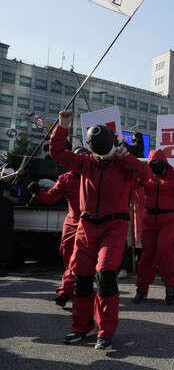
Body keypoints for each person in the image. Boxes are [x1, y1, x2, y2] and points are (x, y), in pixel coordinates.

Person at [50, 110, 151, 350]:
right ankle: (81, 327)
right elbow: (56, 152)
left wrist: (125, 156)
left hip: (114, 226)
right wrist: (62, 126)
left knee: (105, 277)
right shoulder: (85, 163)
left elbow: (145, 175)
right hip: (86, 225)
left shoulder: (124, 165)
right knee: (81, 280)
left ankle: (105, 332)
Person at [27, 147, 89, 307]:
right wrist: (38, 192)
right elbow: (50, 198)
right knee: (67, 254)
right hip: (71, 222)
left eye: (84, 157)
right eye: (78, 157)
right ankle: (75, 288)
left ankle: (66, 291)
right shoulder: (65, 179)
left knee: (78, 259)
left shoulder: (94, 178)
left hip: (89, 223)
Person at [133, 149, 174, 305]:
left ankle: (170, 286)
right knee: (146, 256)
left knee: (164, 249)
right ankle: (142, 289)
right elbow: (128, 181)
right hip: (149, 218)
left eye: (157, 163)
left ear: (165, 163)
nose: (154, 166)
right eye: (151, 163)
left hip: (169, 219)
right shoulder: (146, 175)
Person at [119, 132, 146, 279]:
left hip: (136, 210)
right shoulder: (122, 173)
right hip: (126, 209)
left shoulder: (140, 175)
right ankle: (125, 266)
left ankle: (135, 266)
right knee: (127, 238)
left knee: (135, 237)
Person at [0, 165, 24, 277]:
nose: (6, 177)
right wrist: (15, 173)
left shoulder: (14, 187)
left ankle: (3, 268)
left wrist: (8, 197)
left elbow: (18, 201)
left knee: (5, 243)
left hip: (6, 219)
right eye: (4, 174)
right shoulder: (0, 183)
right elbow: (2, 180)